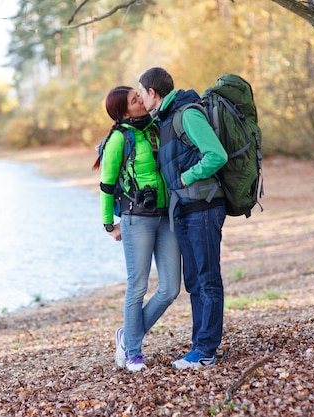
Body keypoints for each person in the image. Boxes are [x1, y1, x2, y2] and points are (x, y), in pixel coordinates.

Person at [138, 67, 228, 369]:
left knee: (207, 280)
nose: (140, 99)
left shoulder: (187, 114)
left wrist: (187, 177)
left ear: (153, 93)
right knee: (195, 281)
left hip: (203, 206)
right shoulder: (164, 119)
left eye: (141, 93)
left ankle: (205, 351)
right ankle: (199, 347)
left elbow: (216, 155)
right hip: (187, 210)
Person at [93, 86, 181, 372]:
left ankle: (127, 335)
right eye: (134, 100)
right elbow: (106, 185)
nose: (141, 100)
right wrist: (109, 223)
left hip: (165, 216)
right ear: (123, 112)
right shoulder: (119, 138)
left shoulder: (155, 127)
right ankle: (133, 353)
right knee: (138, 285)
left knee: (170, 288)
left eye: (139, 95)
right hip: (136, 218)